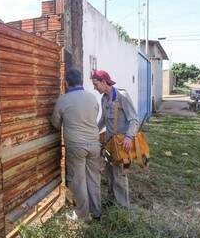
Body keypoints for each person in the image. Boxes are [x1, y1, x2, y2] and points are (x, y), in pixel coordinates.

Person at [51, 68, 101, 221]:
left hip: (76, 147)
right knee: (93, 178)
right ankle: (96, 212)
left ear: (66, 83)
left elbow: (55, 123)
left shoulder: (63, 100)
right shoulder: (92, 98)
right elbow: (94, 116)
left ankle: (82, 215)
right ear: (81, 81)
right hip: (94, 144)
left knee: (78, 181)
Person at [91, 70, 139, 208]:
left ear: (104, 82)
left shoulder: (122, 96)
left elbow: (134, 119)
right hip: (109, 144)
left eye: (96, 84)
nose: (94, 88)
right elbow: (104, 120)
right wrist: (93, 131)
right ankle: (112, 202)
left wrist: (129, 137)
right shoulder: (103, 99)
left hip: (122, 144)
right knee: (110, 173)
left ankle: (123, 209)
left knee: (120, 176)